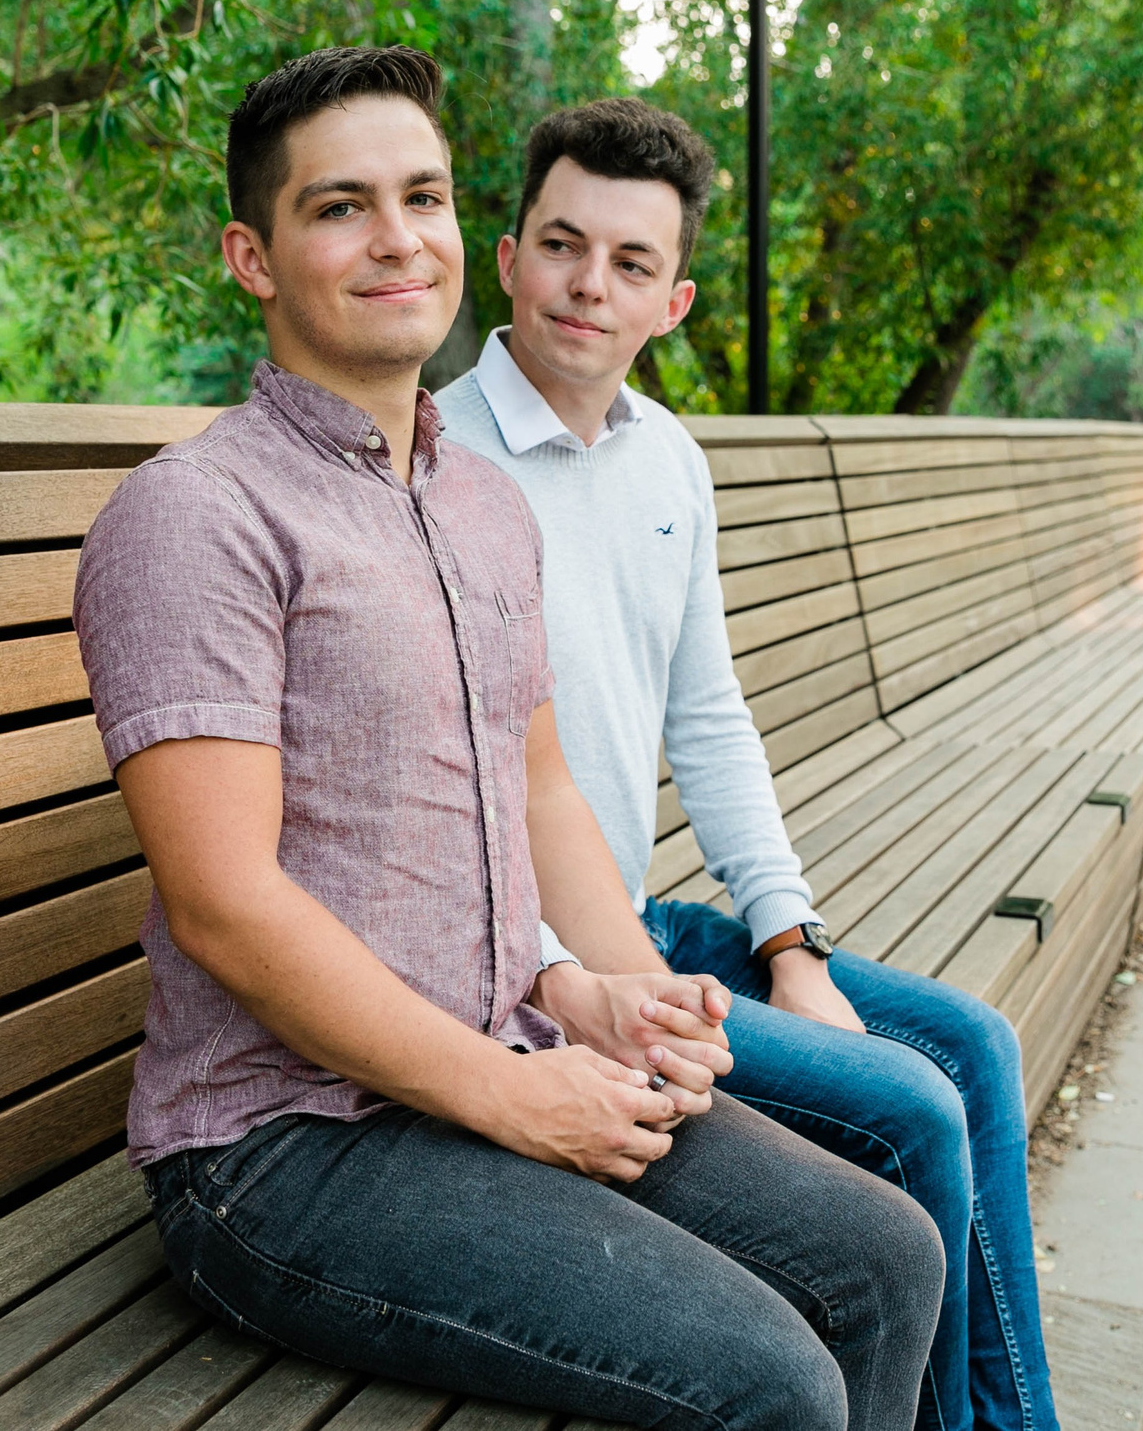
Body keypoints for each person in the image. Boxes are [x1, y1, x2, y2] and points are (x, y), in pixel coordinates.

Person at [74, 46, 944, 1431]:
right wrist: (517, 1098)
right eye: (339, 206)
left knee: (891, 1254)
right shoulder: (197, 515)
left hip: (506, 1054)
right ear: (253, 254)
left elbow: (540, 788)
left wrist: (634, 992)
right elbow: (226, 906)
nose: (396, 236)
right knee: (770, 1379)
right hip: (285, 1149)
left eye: (419, 194)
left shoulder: (478, 501)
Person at [431, 98, 1056, 1431]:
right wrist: (597, 980)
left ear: (676, 299)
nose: (589, 284)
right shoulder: (436, 463)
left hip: (649, 920)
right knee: (912, 1106)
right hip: (546, 967)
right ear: (506, 257)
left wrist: (792, 939)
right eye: (562, 243)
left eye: (632, 262)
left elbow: (709, 719)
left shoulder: (670, 459)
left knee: (974, 1043)